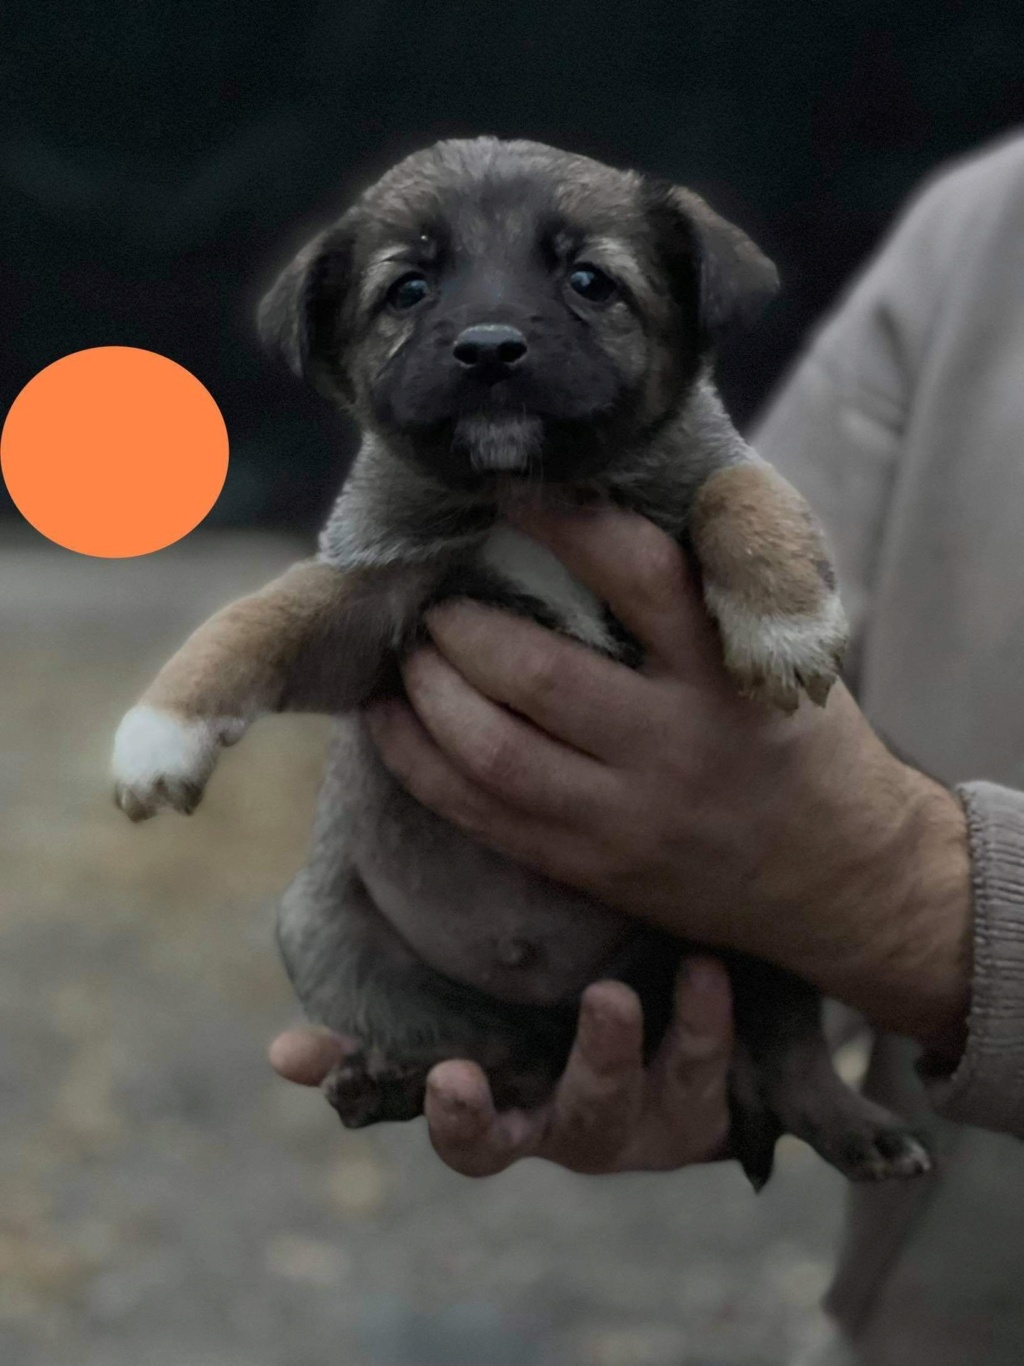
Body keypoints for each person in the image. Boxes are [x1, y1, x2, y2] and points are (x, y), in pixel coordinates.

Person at [270, 130, 1024, 1365]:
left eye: (585, 284)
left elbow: (812, 812)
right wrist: (716, 1044)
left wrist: (912, 901)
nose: (495, 328)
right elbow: (774, 671)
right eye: (412, 290)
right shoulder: (980, 227)